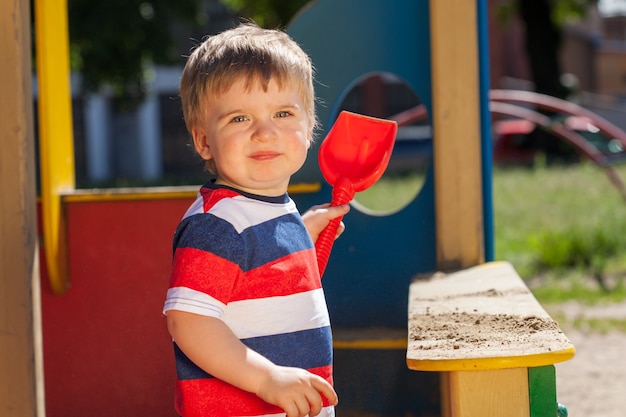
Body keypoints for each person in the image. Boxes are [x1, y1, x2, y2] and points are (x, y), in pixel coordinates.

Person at [163, 22, 349, 417]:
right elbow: (189, 321)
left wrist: (301, 238)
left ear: (309, 126)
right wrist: (268, 379)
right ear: (203, 141)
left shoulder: (274, 210)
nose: (265, 132)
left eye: (282, 113)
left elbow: (263, 294)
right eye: (239, 119)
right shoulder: (218, 225)